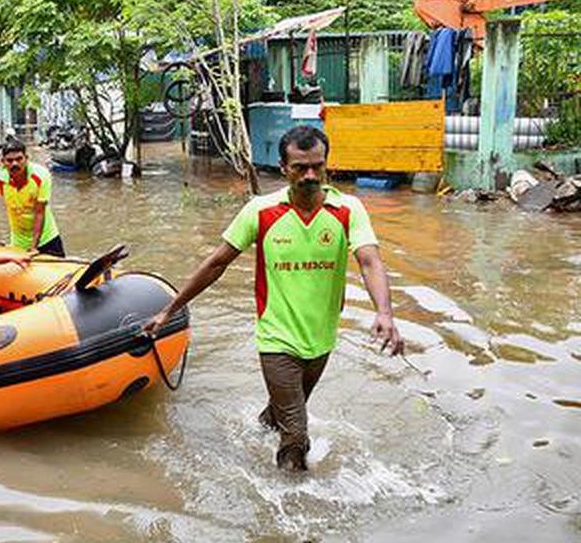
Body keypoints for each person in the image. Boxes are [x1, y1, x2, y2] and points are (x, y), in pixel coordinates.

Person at [143, 126, 404, 472]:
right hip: (276, 339)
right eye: (300, 167)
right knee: (296, 434)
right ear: (283, 168)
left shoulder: (348, 210)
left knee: (282, 412)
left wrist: (385, 312)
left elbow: (370, 261)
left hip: (322, 339)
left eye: (317, 166)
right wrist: (168, 311)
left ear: (327, 165)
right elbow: (216, 263)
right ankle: (290, 512)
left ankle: (255, 430)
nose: (310, 175)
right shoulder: (261, 211)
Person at [0, 139, 65, 257]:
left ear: (26, 158)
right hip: (19, 242)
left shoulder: (41, 176)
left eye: (19, 159)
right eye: (9, 160)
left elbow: (39, 212)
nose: (14, 164)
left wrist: (33, 248)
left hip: (47, 238)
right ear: (3, 162)